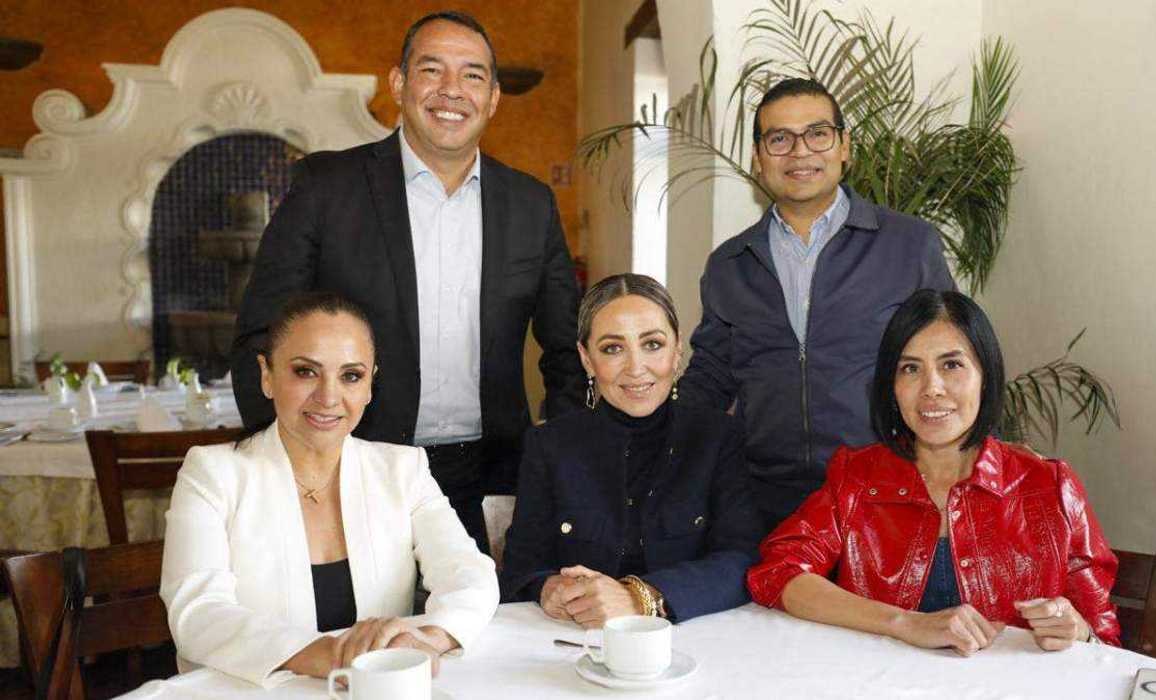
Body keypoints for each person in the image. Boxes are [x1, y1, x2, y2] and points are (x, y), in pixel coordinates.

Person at [230, 10, 583, 554]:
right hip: (351, 469)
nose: (452, 90)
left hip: (490, 480)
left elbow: (567, 350)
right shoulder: (327, 188)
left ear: (492, 98)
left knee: (486, 633)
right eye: (432, 69)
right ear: (399, 84)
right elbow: (262, 335)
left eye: (472, 75)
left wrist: (558, 458)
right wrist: (290, 463)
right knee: (360, 635)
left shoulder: (531, 205)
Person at [747, 289, 1120, 654]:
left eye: (951, 365)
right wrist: (903, 622)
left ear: (985, 376)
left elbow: (1106, 643)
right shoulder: (857, 477)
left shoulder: (1050, 486)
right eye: (911, 368)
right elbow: (779, 573)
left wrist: (1078, 629)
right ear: (892, 387)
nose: (931, 389)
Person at [163, 292, 499, 686]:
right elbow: (198, 613)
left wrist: (424, 639)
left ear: (370, 386)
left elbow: (470, 575)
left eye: (351, 376)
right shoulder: (212, 473)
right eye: (305, 371)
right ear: (267, 376)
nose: (328, 397)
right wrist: (332, 656)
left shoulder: (402, 470)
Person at [679, 77, 956, 529]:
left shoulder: (909, 245)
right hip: (766, 503)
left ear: (844, 146)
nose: (800, 152)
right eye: (780, 138)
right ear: (759, 156)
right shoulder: (730, 264)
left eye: (817, 133)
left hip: (888, 496)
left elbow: (956, 364)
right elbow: (710, 380)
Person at [500, 274, 763, 626]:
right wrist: (548, 588)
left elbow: (742, 559)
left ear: (678, 347)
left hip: (697, 640)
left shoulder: (717, 437)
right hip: (574, 644)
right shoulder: (549, 445)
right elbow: (521, 568)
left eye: (652, 344)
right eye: (612, 348)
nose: (636, 368)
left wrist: (641, 597)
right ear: (587, 359)